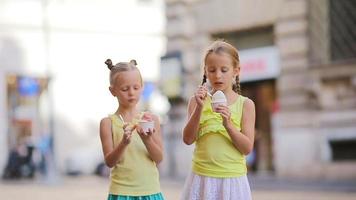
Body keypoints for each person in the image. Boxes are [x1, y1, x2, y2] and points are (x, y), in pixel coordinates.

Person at [181, 40, 256, 200]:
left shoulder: (246, 105)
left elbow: (247, 148)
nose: (218, 75)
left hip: (232, 180)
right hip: (201, 177)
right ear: (205, 72)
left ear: (236, 71)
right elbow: (187, 139)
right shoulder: (195, 101)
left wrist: (228, 125)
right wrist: (199, 109)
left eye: (224, 70)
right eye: (212, 70)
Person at [99, 59, 165, 200]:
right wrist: (123, 143)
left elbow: (158, 158)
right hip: (121, 192)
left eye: (136, 87)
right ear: (113, 91)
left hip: (150, 191)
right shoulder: (107, 123)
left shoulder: (151, 119)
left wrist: (147, 140)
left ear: (142, 87)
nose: (131, 93)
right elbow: (110, 162)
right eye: (125, 89)